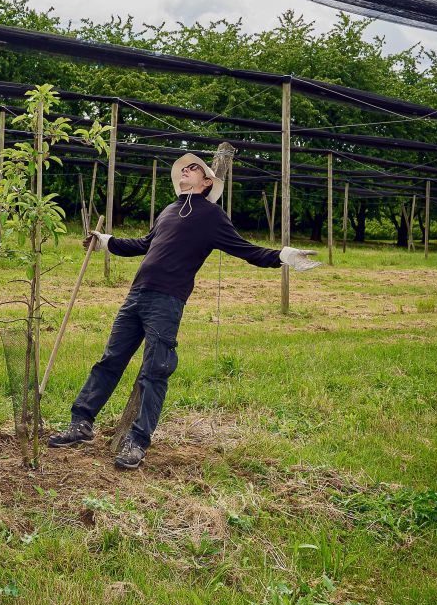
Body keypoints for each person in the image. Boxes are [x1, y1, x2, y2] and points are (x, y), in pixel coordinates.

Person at [48, 154, 321, 469]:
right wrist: (106, 242)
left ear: (207, 183)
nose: (186, 171)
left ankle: (137, 443)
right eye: (183, 169)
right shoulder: (168, 211)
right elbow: (144, 244)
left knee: (155, 371)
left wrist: (284, 256)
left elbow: (245, 249)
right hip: (136, 295)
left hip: (166, 301)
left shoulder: (212, 217)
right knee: (110, 360)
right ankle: (80, 423)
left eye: (194, 169)